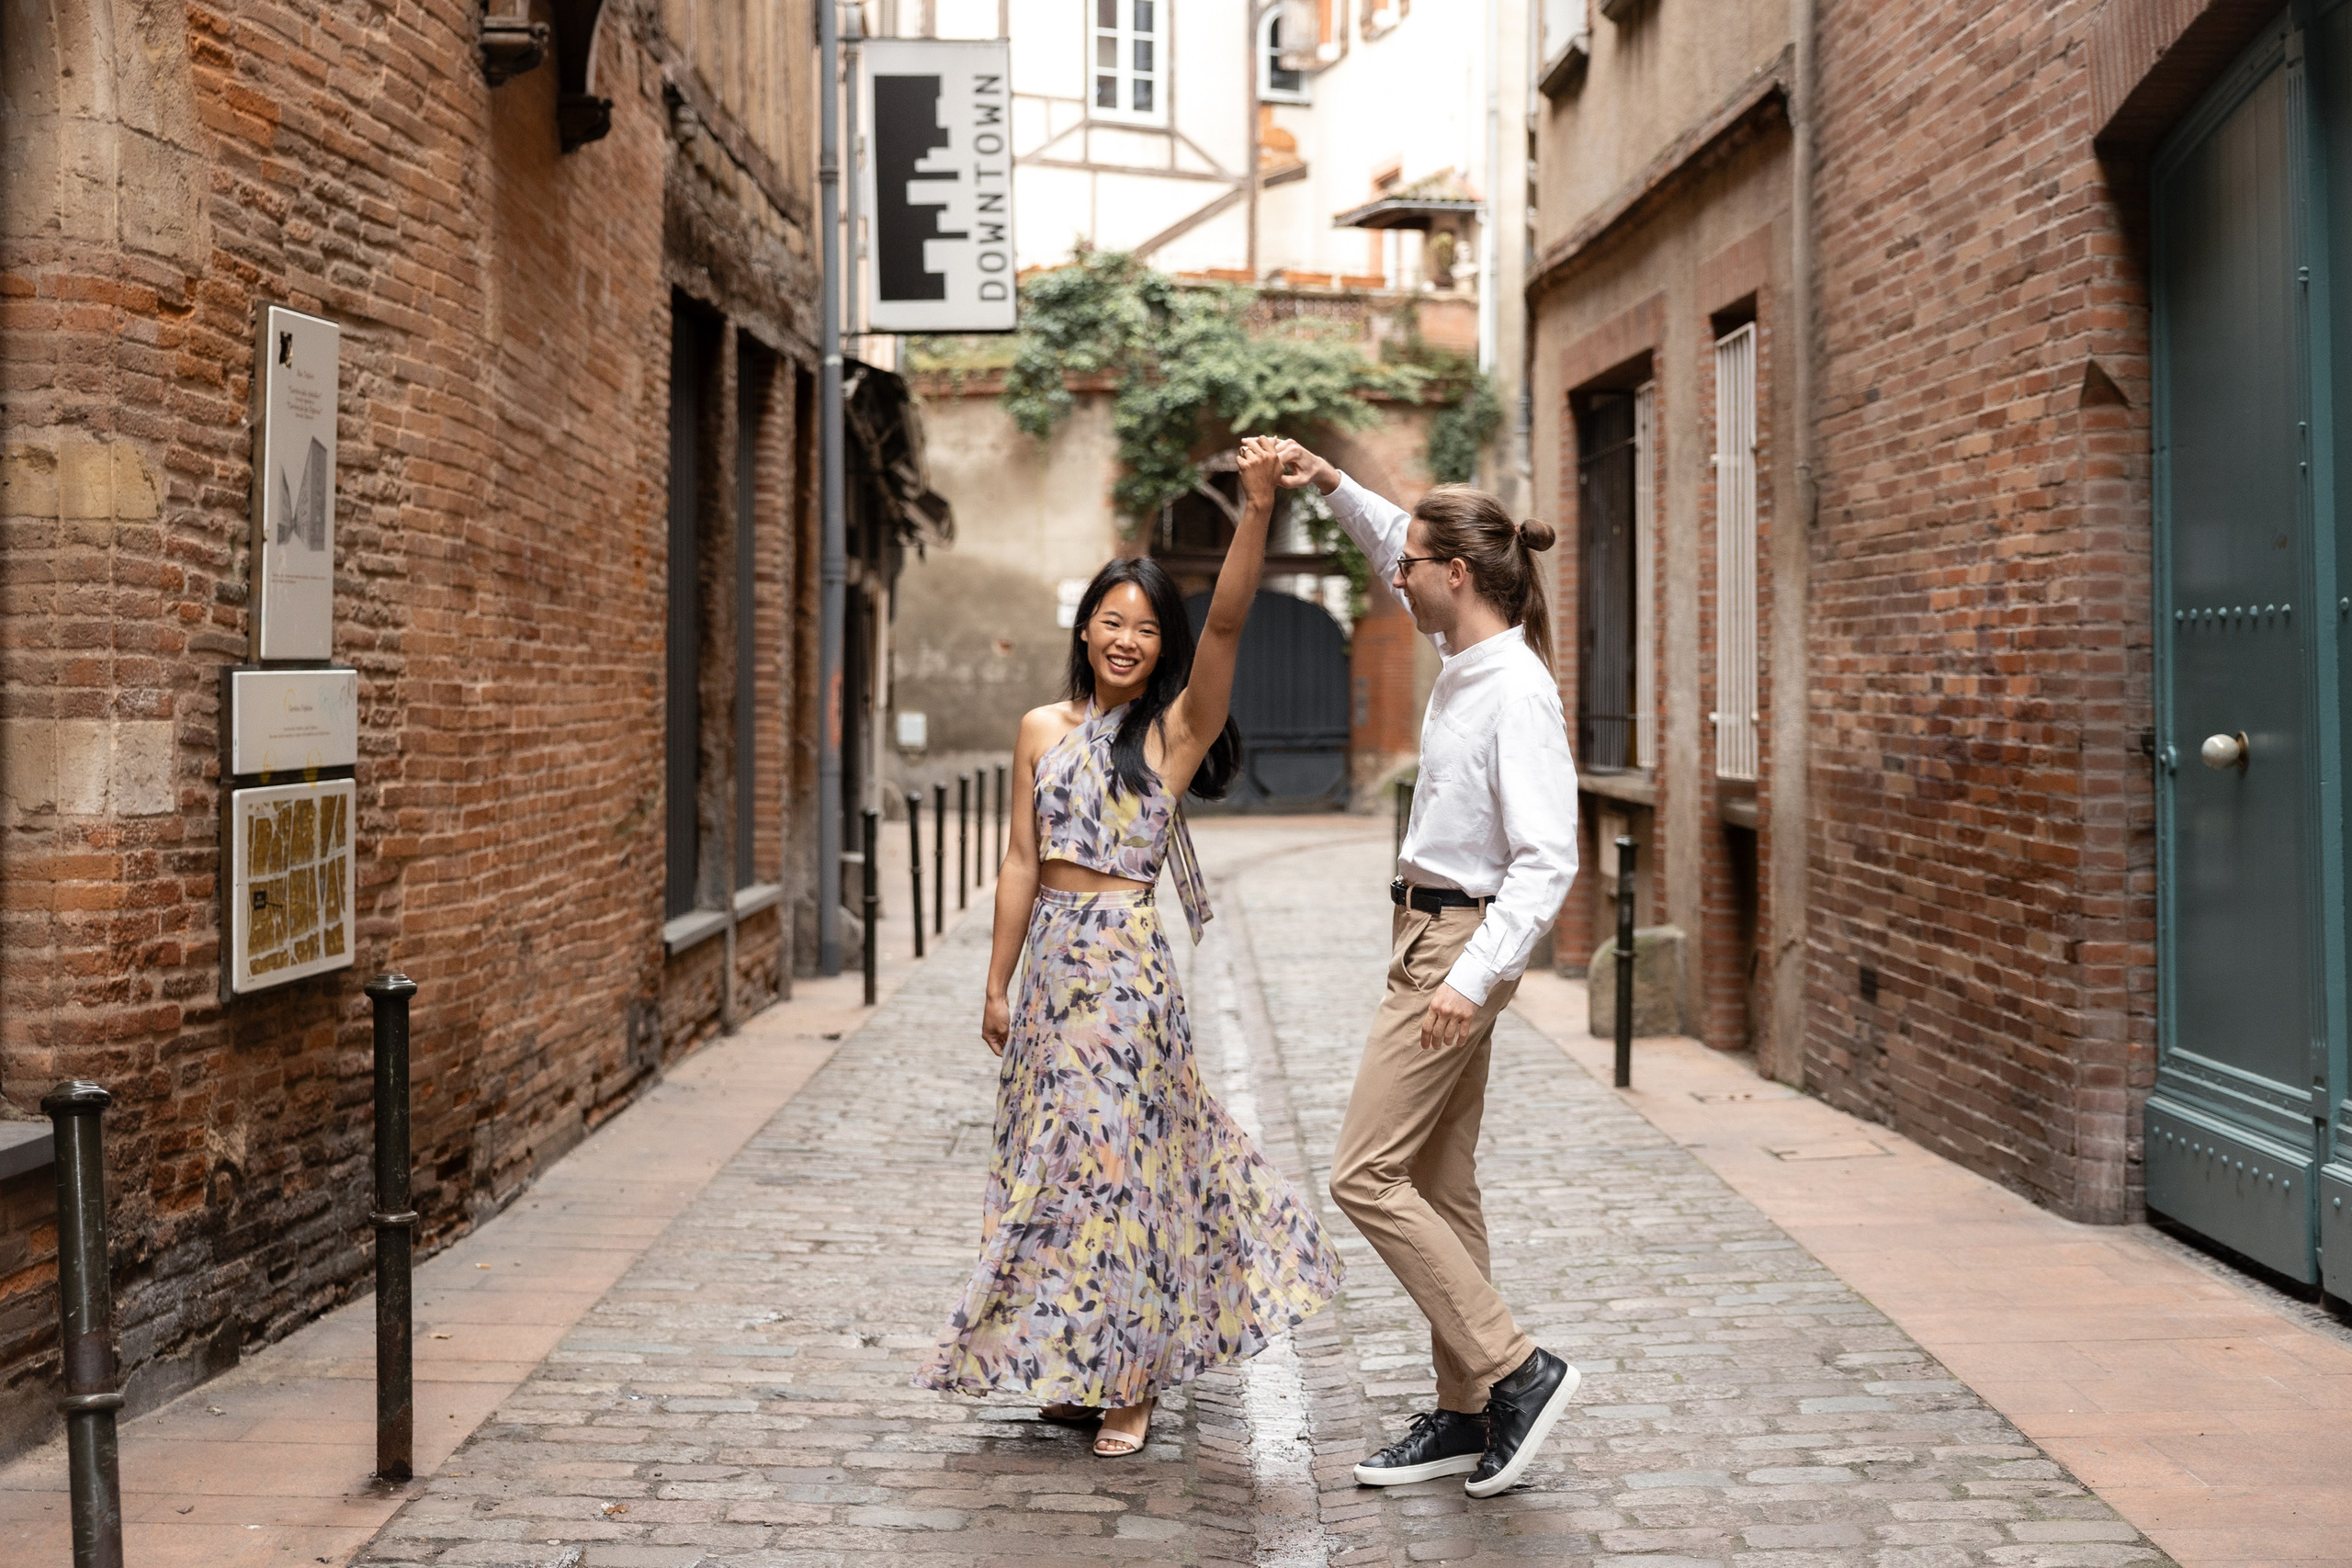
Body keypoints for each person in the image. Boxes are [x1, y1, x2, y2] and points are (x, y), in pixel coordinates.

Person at [916, 436, 1342, 1459]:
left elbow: (1231, 616)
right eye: (1111, 620)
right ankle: (1074, 1362)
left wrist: (1253, 509)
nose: (1125, 639)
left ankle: (1132, 1380)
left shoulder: (1177, 730)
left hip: (1126, 975)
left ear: (1163, 648)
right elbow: (1021, 858)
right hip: (1052, 975)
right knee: (1054, 1176)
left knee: (1127, 1175)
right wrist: (994, 982)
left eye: (1145, 629)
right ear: (1085, 627)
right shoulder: (1037, 727)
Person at [1273, 439, 1582, 1499]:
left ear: (1457, 572)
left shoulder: (1516, 692)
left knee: (1364, 1173)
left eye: (1409, 563)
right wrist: (1326, 482)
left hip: (1455, 950)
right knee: (1441, 1188)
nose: (1390, 575)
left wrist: (1468, 977)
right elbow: (1384, 539)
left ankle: (1513, 1368)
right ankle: (1462, 1415)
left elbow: (1549, 861)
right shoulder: (1466, 660)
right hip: (1427, 937)